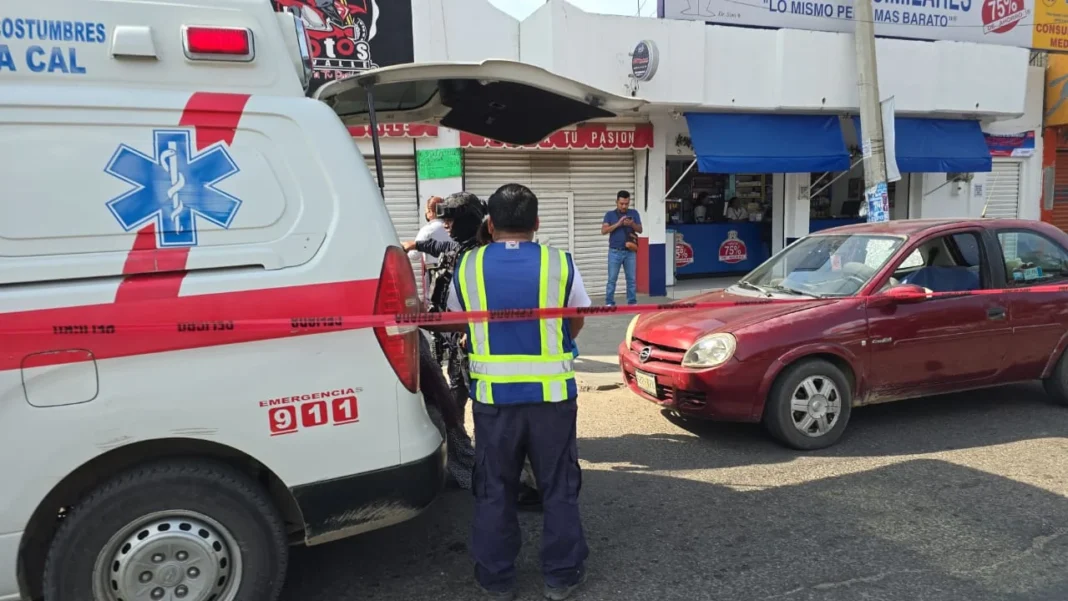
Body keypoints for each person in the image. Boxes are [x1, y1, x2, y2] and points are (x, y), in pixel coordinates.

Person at [447, 183, 591, 601]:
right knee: (558, 485)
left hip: (495, 402)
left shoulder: (469, 266)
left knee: (495, 487)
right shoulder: (560, 263)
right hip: (553, 400)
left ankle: (496, 580)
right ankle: (561, 578)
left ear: (490, 225)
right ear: (537, 223)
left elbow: (461, 323)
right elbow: (576, 320)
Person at [405, 193, 543, 509]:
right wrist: (414, 246)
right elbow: (443, 248)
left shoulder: (478, 258)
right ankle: (478, 468)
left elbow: (477, 308)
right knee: (461, 410)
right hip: (459, 350)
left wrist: (426, 322)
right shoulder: (467, 250)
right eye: (443, 219)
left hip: (476, 352)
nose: (445, 225)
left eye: (451, 219)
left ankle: (523, 483)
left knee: (493, 418)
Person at [409, 196, 454, 310]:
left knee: (434, 305)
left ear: (430, 212)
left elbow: (414, 255)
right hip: (454, 271)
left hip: (435, 273)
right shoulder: (452, 227)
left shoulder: (428, 229)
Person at [601, 190, 642, 306]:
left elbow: (640, 230)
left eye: (626, 204)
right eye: (621, 203)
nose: (624, 206)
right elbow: (603, 231)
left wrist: (632, 224)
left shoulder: (634, 213)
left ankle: (632, 303)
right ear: (616, 202)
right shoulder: (609, 215)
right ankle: (609, 303)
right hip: (614, 252)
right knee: (612, 280)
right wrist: (618, 224)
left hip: (630, 252)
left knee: (631, 280)